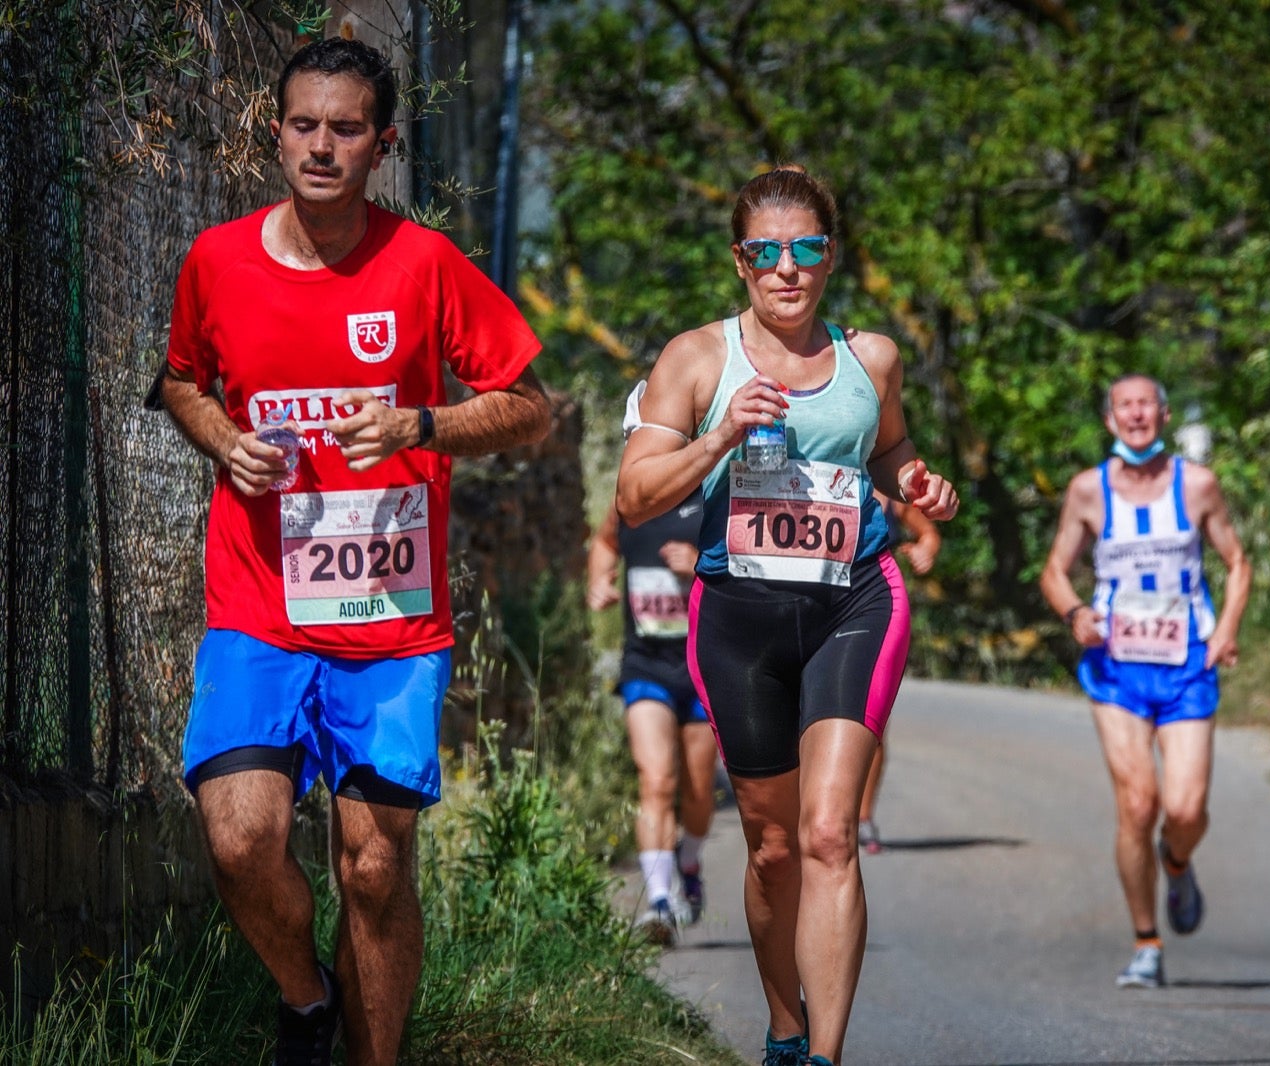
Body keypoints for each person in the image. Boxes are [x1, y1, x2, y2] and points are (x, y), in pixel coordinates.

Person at [156, 37, 551, 1066]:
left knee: (374, 867)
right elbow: (182, 381)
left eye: (345, 129)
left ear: (381, 143)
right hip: (255, 608)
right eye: (303, 125)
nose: (320, 146)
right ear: (274, 130)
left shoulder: (423, 264)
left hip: (389, 624)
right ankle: (303, 1000)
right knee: (240, 836)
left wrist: (422, 426)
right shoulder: (216, 259)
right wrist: (223, 438)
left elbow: (526, 408)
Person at [614, 165, 958, 1066]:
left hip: (856, 599)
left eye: (805, 248)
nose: (787, 268)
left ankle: (827, 1057)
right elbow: (636, 495)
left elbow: (892, 451)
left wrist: (915, 482)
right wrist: (721, 433)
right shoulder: (695, 359)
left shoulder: (870, 357)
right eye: (766, 252)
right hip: (739, 614)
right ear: (740, 263)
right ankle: (784, 1026)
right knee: (772, 848)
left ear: (829, 256)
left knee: (828, 834)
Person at [1038, 374, 1251, 991]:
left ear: (1163, 415)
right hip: (1117, 667)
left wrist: (1227, 629)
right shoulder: (1087, 491)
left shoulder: (1197, 485)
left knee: (1184, 809)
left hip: (1187, 663)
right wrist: (1075, 613)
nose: (1136, 416)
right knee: (1139, 803)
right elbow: (1054, 571)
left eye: (1146, 405)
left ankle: (1177, 861)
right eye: (1124, 406)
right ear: (1110, 420)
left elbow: (1238, 562)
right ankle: (1146, 942)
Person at [587, 435, 717, 947]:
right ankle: (659, 901)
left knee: (699, 792)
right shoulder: (631, 501)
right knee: (657, 779)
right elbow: (604, 542)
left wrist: (703, 562)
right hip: (646, 663)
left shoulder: (712, 496)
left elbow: (748, 566)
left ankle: (688, 860)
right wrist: (599, 580)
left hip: (705, 667)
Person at [856, 490, 942, 855]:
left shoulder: (889, 491)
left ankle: (862, 818)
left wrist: (926, 548)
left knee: (873, 725)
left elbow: (929, 533)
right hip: (812, 610)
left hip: (873, 611)